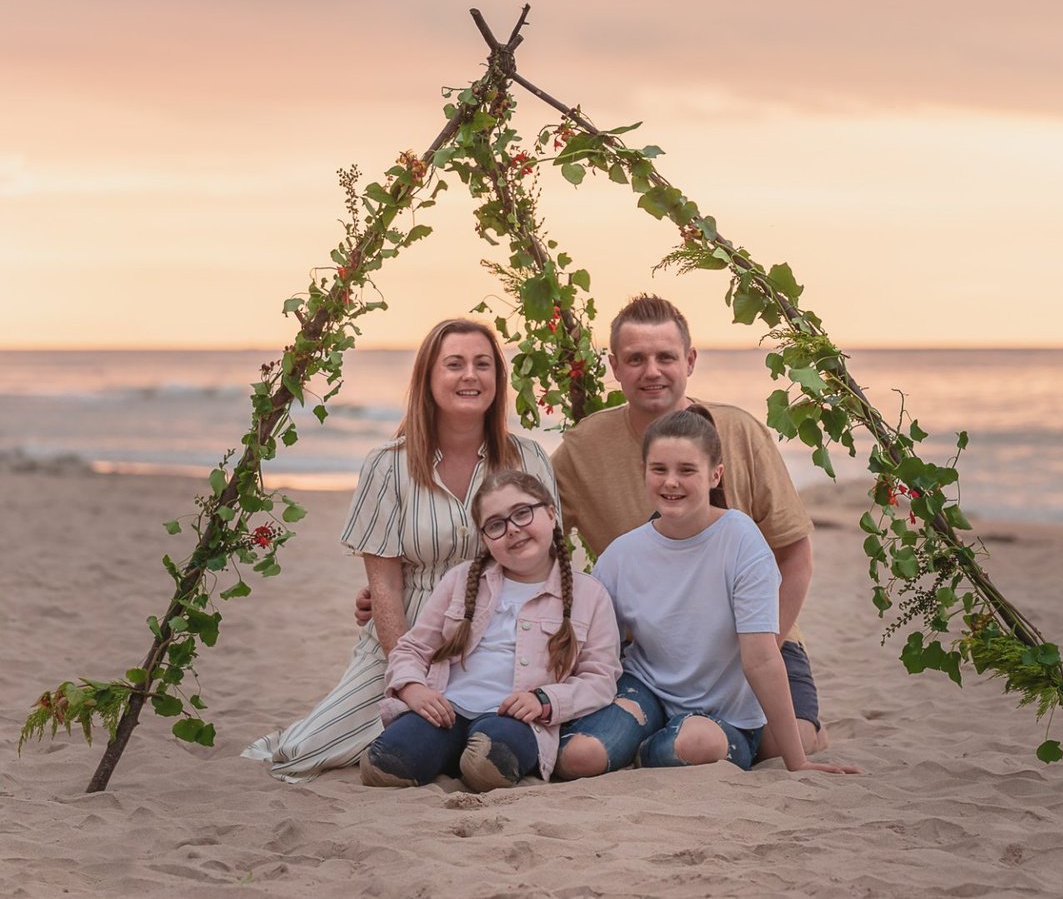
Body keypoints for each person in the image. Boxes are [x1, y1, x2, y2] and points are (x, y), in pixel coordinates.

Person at [244, 318, 559, 782]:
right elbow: (385, 585)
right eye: (454, 364)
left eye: (482, 365)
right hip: (409, 636)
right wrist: (408, 678)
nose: (469, 376)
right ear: (428, 380)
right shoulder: (387, 465)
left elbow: (551, 560)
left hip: (504, 636)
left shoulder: (528, 458)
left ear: (498, 379)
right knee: (308, 750)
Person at [551, 295, 829, 758]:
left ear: (690, 360)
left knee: (790, 744)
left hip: (756, 642)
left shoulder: (738, 432)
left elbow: (795, 556)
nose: (651, 371)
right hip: (651, 651)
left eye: (666, 357)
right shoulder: (583, 448)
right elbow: (526, 525)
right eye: (636, 359)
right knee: (603, 745)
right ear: (615, 367)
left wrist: (751, 654)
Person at [555, 406, 856, 777]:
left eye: (687, 470)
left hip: (721, 712)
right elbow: (592, 647)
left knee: (695, 744)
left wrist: (798, 763)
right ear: (643, 472)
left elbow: (761, 658)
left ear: (715, 475)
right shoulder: (622, 554)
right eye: (659, 469)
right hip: (644, 690)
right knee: (580, 757)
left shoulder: (740, 541)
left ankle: (642, 750)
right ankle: (626, 741)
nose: (671, 482)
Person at [360, 470, 619, 790]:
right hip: (446, 710)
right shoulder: (461, 579)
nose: (512, 530)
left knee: (488, 766)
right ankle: (445, 749)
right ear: (485, 539)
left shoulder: (589, 595)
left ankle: (463, 755)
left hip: (513, 720)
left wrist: (544, 700)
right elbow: (413, 647)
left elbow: (601, 679)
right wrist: (412, 688)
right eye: (496, 525)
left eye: (523, 513)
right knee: (384, 766)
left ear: (552, 514)